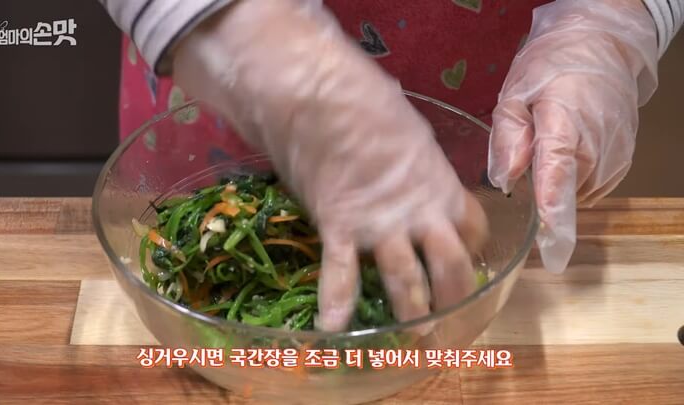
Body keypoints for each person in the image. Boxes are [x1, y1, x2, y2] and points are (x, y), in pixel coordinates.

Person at [100, 0, 683, 332]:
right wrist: (257, 44)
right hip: (220, 81)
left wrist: (607, 25)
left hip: (481, 99)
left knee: (448, 263)